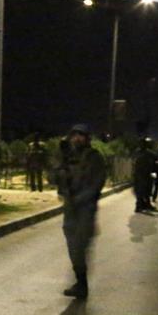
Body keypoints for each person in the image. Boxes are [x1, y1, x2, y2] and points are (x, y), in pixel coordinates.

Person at [55, 124, 106, 299]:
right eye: (74, 135)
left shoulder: (94, 158)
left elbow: (96, 185)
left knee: (79, 248)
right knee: (72, 248)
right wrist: (60, 159)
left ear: (87, 138)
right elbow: (53, 179)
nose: (76, 139)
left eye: (80, 135)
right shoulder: (68, 158)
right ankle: (80, 283)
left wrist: (80, 200)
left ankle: (82, 285)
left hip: (85, 211)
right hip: (70, 211)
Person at [132, 137, 156, 213]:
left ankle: (145, 204)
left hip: (142, 174)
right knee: (142, 190)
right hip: (142, 174)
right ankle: (139, 205)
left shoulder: (140, 152)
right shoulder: (146, 153)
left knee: (144, 190)